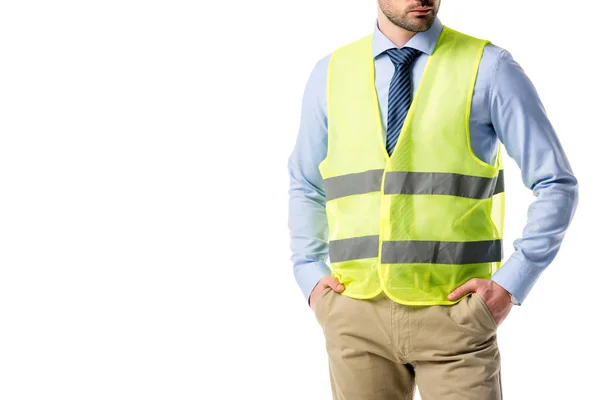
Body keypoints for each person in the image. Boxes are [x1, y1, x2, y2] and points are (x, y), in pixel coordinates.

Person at [287, 0, 579, 398]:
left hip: (456, 316)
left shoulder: (489, 68)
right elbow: (306, 183)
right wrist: (310, 277)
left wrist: (510, 285)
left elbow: (556, 182)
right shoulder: (330, 73)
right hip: (354, 314)